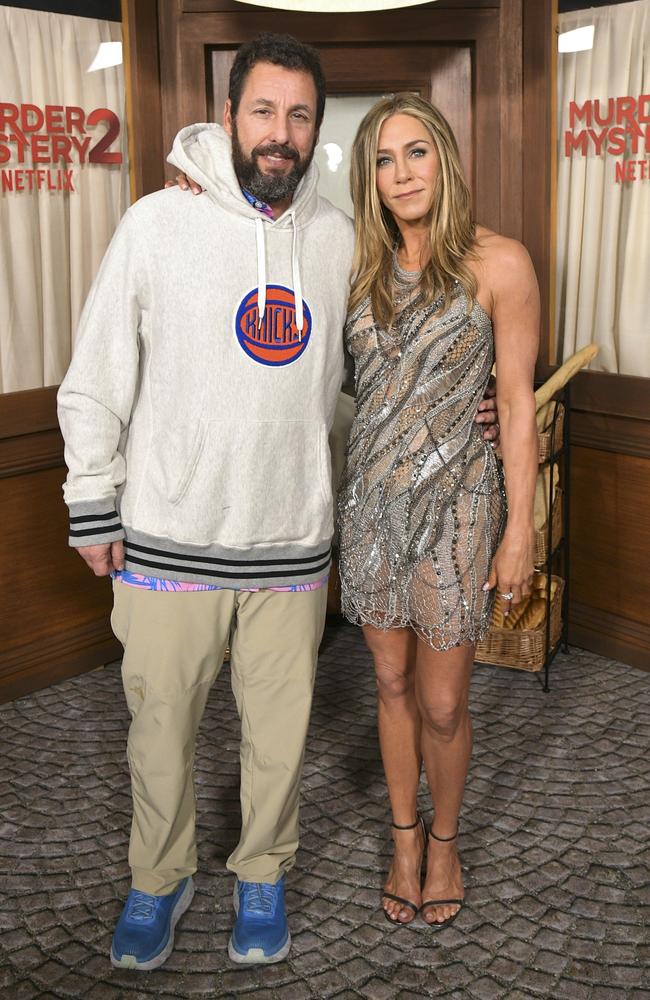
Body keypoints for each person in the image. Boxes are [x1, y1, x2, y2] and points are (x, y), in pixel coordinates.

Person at [58, 34, 498, 971]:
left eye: (300, 116)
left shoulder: (340, 237)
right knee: (161, 732)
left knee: (277, 738)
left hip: (292, 548)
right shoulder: (155, 223)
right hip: (170, 540)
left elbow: (374, 365)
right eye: (263, 111)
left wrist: (473, 398)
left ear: (313, 132)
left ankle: (263, 871)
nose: (281, 134)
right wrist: (92, 498)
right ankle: (158, 878)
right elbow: (95, 375)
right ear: (227, 117)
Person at [337, 94, 539, 928]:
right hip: (373, 509)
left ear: (445, 158)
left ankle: (447, 842)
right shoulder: (354, 266)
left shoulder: (501, 264)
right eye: (384, 160)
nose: (401, 174)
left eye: (415, 153)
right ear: (369, 178)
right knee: (388, 681)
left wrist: (519, 529)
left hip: (459, 512)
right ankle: (404, 838)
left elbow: (517, 403)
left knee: (446, 701)